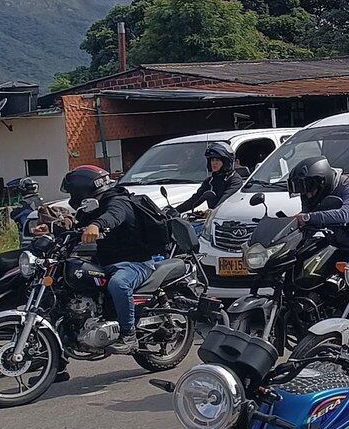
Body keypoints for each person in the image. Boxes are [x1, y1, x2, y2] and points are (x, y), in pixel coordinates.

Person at [61, 165, 171, 354]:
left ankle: (129, 335)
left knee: (118, 284)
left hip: (135, 263)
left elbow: (114, 216)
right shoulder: (91, 207)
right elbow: (76, 226)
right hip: (105, 262)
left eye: (73, 192)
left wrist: (96, 225)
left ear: (83, 190)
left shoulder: (118, 201)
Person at [290, 155, 349, 256]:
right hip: (334, 243)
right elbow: (306, 219)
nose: (307, 195)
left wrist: (307, 217)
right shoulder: (311, 195)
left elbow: (344, 215)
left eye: (309, 189)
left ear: (322, 182)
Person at [174, 141, 248, 216]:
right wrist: (175, 210)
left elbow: (224, 200)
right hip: (213, 218)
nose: (214, 163)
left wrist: (212, 211)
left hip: (228, 219)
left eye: (217, 160)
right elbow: (195, 199)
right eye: (212, 160)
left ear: (225, 161)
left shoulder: (234, 180)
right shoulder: (209, 181)